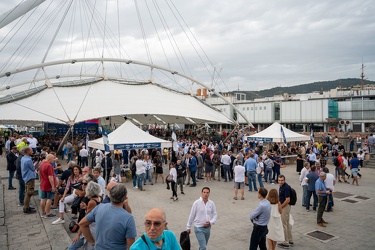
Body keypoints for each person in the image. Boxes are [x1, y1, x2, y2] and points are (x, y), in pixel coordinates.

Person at [79, 183, 137, 249]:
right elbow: (131, 246)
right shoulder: (129, 218)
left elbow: (82, 224)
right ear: (125, 197)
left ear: (110, 195)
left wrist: (92, 242)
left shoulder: (99, 208)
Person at [277, 175, 293, 249]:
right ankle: (290, 239)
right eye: (279, 180)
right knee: (287, 223)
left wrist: (281, 206)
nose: (280, 182)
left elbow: (287, 200)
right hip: (284, 206)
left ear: (284, 180)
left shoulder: (286, 187)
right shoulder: (281, 186)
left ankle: (286, 242)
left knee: (284, 225)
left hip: (285, 207)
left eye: (282, 180)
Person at [39, 154, 57, 218]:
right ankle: (48, 213)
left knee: (43, 198)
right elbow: (50, 177)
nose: (53, 160)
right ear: (50, 159)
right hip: (48, 184)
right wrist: (53, 186)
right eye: (53, 159)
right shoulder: (49, 165)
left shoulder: (42, 164)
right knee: (49, 199)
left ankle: (43, 213)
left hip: (43, 183)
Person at [21, 147, 37, 214]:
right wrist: (37, 162)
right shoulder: (28, 160)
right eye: (31, 150)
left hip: (26, 177)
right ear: (28, 152)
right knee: (29, 192)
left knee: (27, 192)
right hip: (30, 177)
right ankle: (26, 208)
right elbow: (33, 168)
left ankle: (27, 206)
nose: (32, 151)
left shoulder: (23, 158)